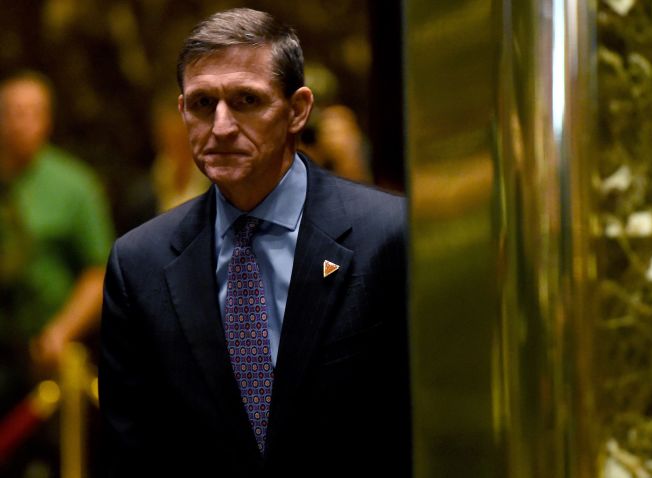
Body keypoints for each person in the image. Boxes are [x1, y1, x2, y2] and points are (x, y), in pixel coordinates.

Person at [99, 8, 409, 477]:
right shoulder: (138, 263)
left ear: (298, 110)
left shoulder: (386, 235)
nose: (221, 126)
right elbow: (130, 454)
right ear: (183, 112)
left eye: (246, 100)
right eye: (203, 104)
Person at [0, 70, 114, 474]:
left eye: (31, 113)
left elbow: (99, 272)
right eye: (11, 112)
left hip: (48, 364)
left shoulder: (74, 185)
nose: (20, 122)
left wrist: (60, 332)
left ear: (47, 119)